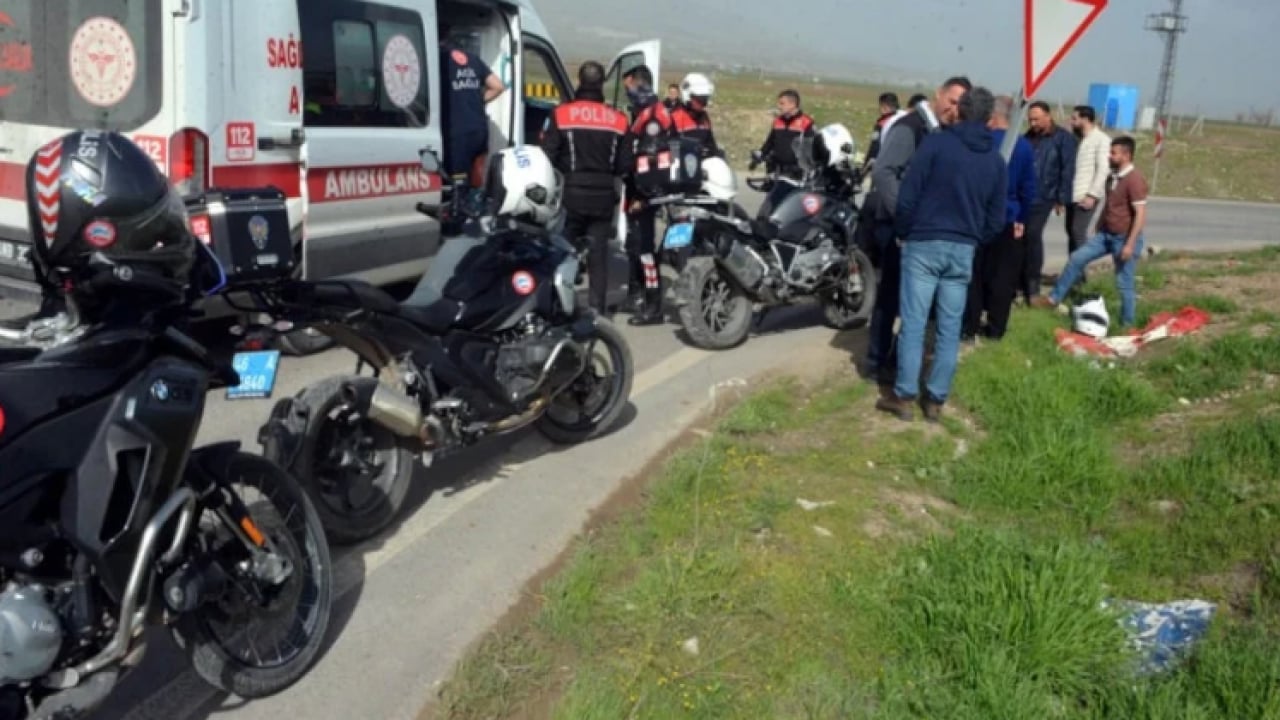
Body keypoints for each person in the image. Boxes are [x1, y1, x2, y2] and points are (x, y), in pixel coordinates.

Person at [876, 87, 1006, 423]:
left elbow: (908, 195)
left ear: (959, 110)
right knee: (949, 327)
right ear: (990, 119)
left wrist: (905, 231)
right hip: (962, 248)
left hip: (923, 243)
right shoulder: (994, 161)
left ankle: (904, 395)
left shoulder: (936, 144)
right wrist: (973, 239)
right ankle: (935, 401)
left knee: (914, 322)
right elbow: (996, 219)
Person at [861, 76, 972, 392]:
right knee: (891, 295)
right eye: (951, 102)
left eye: (960, 106)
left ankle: (897, 360)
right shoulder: (909, 128)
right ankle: (875, 360)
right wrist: (906, 216)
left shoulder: (942, 133)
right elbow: (884, 173)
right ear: (939, 95)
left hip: (922, 232)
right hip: (897, 225)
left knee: (914, 303)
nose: (954, 110)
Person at [540, 61, 629, 317]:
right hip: (602, 198)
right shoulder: (619, 120)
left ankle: (558, 308)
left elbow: (549, 155)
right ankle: (597, 312)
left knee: (562, 251)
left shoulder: (561, 114)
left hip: (570, 195)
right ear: (602, 84)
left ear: (579, 80)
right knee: (598, 257)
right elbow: (624, 165)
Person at [1033, 136, 1149, 329]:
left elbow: (1140, 214)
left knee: (1124, 283)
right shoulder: (1113, 176)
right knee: (1077, 258)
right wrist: (1101, 222)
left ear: (1126, 155)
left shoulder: (1135, 180)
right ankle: (1053, 299)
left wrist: (1130, 244)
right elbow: (1111, 202)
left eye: (1114, 153)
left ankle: (1128, 324)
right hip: (1106, 235)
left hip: (1124, 238)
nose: (1109, 156)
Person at [963, 95, 1037, 341]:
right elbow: (1029, 190)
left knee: (974, 275)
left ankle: (970, 325)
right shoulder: (1024, 147)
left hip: (978, 218)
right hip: (1009, 218)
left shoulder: (981, 143)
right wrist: (1022, 220)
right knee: (1003, 279)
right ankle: (996, 329)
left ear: (992, 117)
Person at [620, 63, 676, 325]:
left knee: (644, 248)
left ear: (637, 83)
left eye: (628, 86)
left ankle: (653, 306)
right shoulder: (645, 111)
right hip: (640, 190)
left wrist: (642, 195)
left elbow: (650, 160)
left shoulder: (653, 115)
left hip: (647, 192)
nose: (626, 91)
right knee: (635, 244)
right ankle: (638, 294)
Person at [1022, 100, 1077, 303]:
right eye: (1030, 119)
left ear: (1048, 116)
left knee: (1033, 235)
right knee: (1020, 239)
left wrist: (1061, 198)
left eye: (1037, 119)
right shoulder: (1028, 138)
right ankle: (1021, 282)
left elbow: (1067, 169)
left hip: (1046, 195)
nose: (1033, 123)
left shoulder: (1063, 139)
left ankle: (1033, 287)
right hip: (1026, 195)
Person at [439, 23, 507, 187]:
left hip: (457, 134)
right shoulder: (472, 59)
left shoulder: (439, 61)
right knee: (474, 182)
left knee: (456, 187)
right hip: (479, 132)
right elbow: (498, 86)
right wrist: (475, 99)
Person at [1065, 105, 1111, 284]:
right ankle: (1073, 274)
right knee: (1071, 232)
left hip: (1086, 194)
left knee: (1079, 233)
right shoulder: (1078, 139)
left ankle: (1080, 277)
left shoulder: (1101, 140)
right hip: (1073, 194)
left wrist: (1092, 194)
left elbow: (1103, 169)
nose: (1072, 121)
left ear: (1085, 119)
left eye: (1075, 118)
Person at [753, 89, 816, 216]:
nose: (779, 106)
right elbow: (770, 143)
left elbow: (813, 150)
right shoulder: (778, 122)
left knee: (792, 207)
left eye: (782, 103)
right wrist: (760, 154)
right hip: (778, 172)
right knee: (771, 206)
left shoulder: (806, 123)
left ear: (792, 104)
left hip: (797, 175)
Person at [671, 73, 723, 158]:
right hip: (683, 165)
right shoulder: (675, 117)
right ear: (688, 96)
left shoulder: (704, 118)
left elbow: (711, 144)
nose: (703, 103)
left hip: (704, 164)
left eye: (705, 99)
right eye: (700, 99)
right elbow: (671, 148)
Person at [863, 92, 902, 171]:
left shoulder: (882, 123)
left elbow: (875, 147)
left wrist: (865, 166)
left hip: (881, 165)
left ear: (884, 106)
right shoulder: (902, 120)